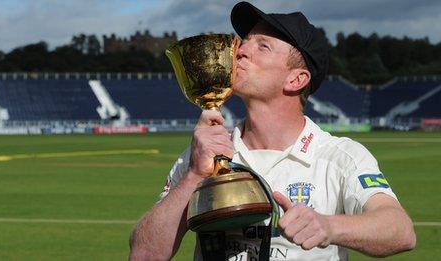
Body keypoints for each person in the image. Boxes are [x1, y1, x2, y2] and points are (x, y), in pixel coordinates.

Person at [129, 2, 416, 260]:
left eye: (262, 46)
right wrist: (193, 175)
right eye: (244, 42)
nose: (239, 50)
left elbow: (400, 230)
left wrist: (329, 226)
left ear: (296, 79)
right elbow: (143, 254)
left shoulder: (340, 156)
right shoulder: (202, 155)